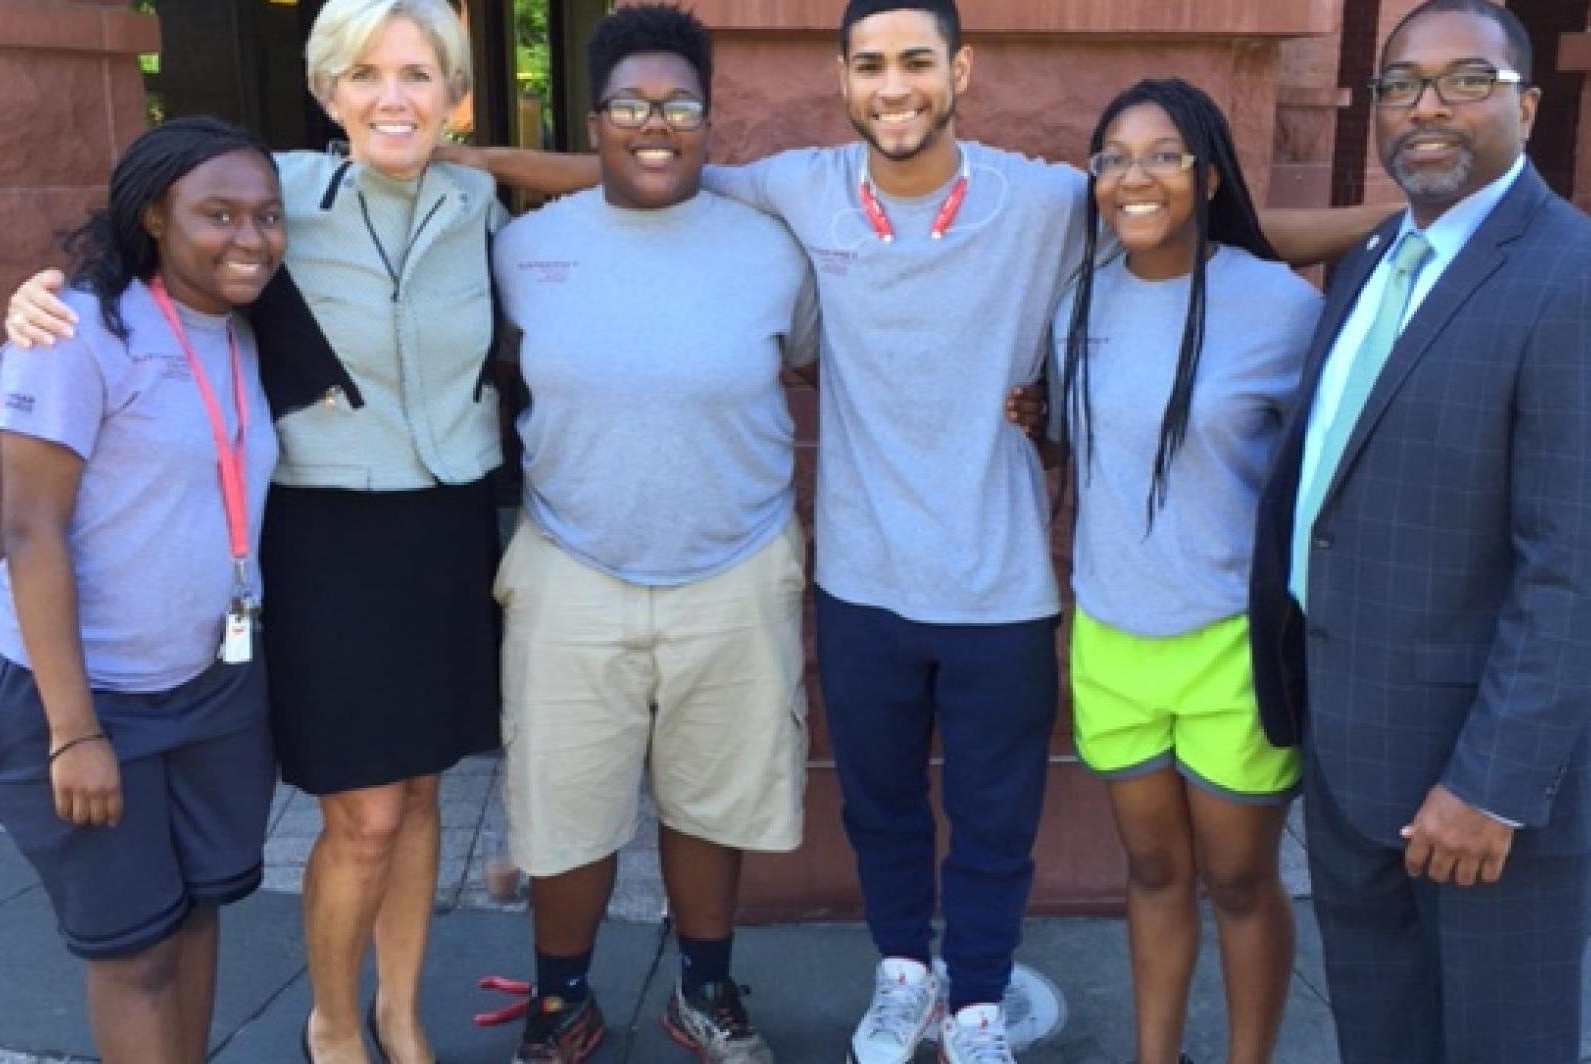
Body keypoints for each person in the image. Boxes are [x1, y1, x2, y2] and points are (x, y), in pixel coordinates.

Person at [444, 3, 1381, 1060]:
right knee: (883, 811)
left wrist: (1391, 225)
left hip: (1002, 581)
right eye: (872, 65)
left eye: (916, 63)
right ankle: (902, 978)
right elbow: (636, 159)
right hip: (861, 573)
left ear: (958, 70)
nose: (894, 87)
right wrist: (461, 153)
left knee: (991, 825)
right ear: (844, 79)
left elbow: (1207, 228)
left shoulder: (1040, 201)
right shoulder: (798, 188)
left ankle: (975, 1002)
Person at [4, 3, 511, 1061]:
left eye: (419, 75)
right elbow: (160, 231)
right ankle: (332, 1021)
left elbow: (624, 169)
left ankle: (401, 1015)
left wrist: (474, 147)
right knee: (364, 814)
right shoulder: (275, 194)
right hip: (325, 535)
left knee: (422, 792)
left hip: (451, 524)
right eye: (364, 74)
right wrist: (39, 294)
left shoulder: (478, 201)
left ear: (453, 94)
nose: (392, 96)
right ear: (327, 90)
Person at [1247, 3, 1591, 1061]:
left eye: (1465, 80)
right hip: (1354, 750)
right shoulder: (1369, 261)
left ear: (1526, 107)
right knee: (1381, 1029)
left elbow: (1580, 573)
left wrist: (1489, 783)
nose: (1427, 105)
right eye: (1401, 84)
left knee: (1497, 1039)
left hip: (1484, 784)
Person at [488, 8, 818, 1063]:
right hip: (571, 561)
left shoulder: (773, 247)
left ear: (710, 120)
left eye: (679, 103)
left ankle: (705, 992)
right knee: (563, 803)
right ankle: (561, 1000)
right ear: (594, 121)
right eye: (631, 103)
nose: (656, 123)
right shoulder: (524, 248)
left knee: (711, 795)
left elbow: (807, 362)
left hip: (736, 560)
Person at [0, 116, 285, 1063]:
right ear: (154, 214)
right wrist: (74, 732)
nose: (249, 238)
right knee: (134, 950)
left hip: (210, 680)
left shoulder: (243, 325)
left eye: (267, 216)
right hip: (86, 693)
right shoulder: (76, 329)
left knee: (195, 916)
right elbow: (30, 529)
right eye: (218, 214)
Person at [1047, 79, 1321, 1064]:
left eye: (1162, 154)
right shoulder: (1078, 300)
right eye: (1112, 156)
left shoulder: (1280, 307)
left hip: (1231, 648)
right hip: (1113, 640)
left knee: (1241, 878)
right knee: (1153, 869)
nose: (1135, 175)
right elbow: (1084, 454)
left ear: (1207, 175)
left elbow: (1322, 480)